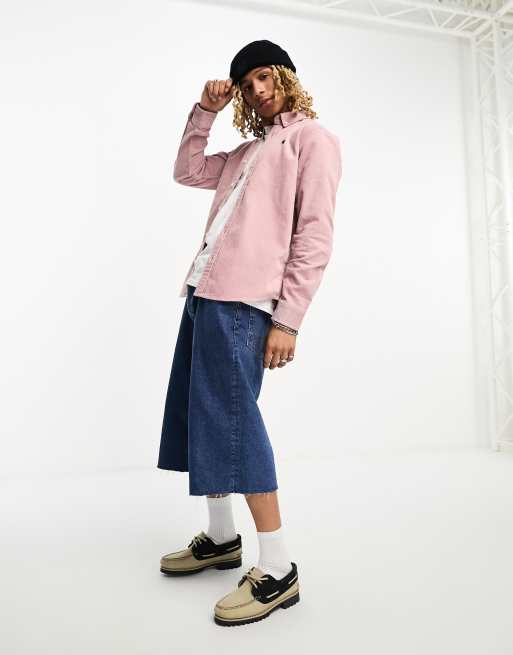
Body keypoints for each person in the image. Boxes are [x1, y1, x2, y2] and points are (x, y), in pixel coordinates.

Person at [157, 40, 342, 626]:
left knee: (235, 422)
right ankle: (221, 538)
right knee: (201, 415)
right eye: (247, 84)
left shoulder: (311, 140)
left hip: (245, 303)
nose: (258, 90)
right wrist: (204, 112)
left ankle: (279, 567)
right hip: (204, 294)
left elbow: (315, 233)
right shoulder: (246, 151)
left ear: (285, 75)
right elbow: (188, 171)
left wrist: (288, 318)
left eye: (265, 76)